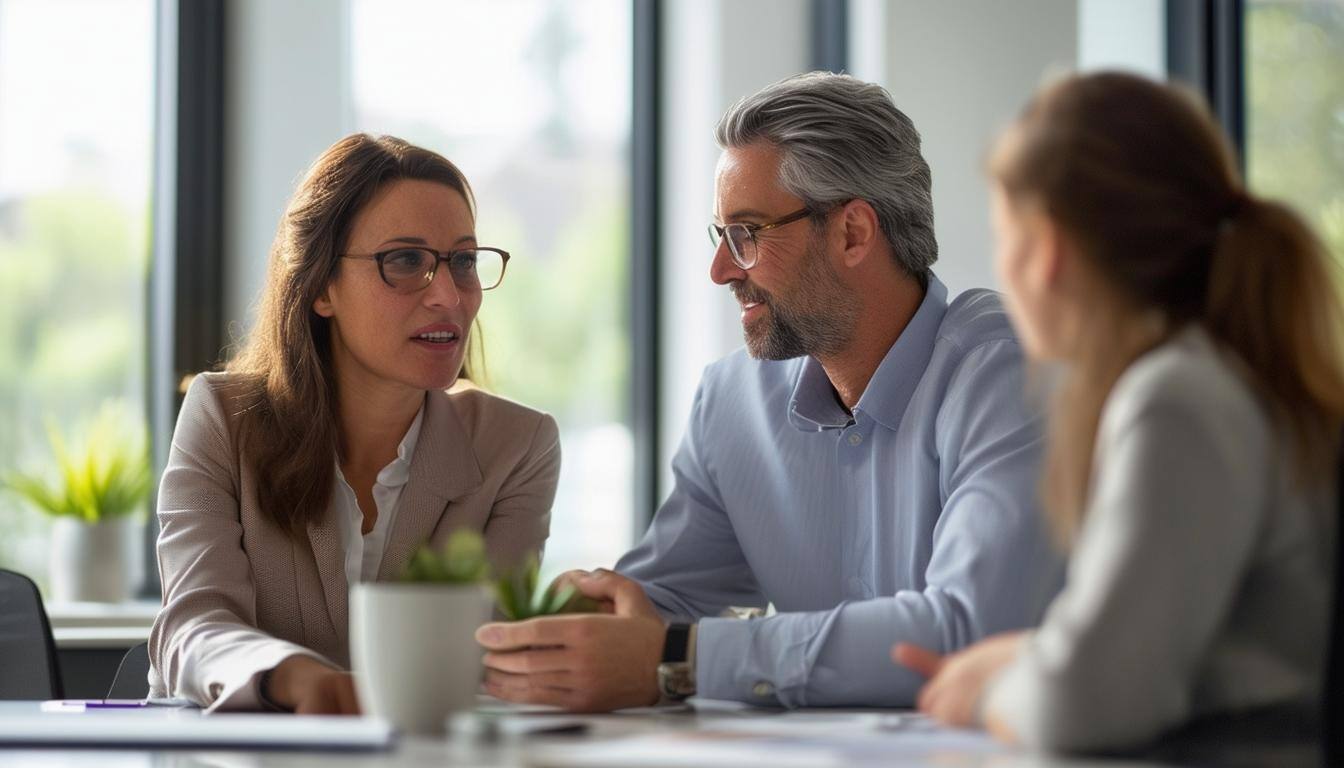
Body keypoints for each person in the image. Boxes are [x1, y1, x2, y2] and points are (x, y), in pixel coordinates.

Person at [476, 72, 1062, 711]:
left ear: (853, 234)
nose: (721, 270)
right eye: (720, 235)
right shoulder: (732, 402)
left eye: (747, 234)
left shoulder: (1008, 373)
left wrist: (683, 658)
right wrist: (588, 620)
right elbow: (662, 605)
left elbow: (967, 632)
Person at [895, 72, 1344, 753]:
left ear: (1045, 250)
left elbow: (1089, 703)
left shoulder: (1176, 398)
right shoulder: (1227, 376)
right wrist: (1030, 658)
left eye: (1000, 233)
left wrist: (991, 690)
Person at [148, 134, 561, 713]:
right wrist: (291, 677)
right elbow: (191, 625)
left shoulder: (518, 445)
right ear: (320, 286)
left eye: (462, 261)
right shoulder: (223, 416)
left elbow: (482, 654)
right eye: (406, 260)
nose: (448, 295)